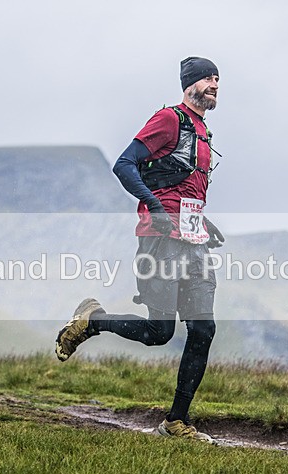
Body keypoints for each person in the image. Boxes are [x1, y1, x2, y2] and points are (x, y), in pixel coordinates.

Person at [55, 56, 225, 443]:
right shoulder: (170, 119)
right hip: (159, 240)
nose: (215, 84)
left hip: (192, 242)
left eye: (218, 79)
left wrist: (201, 222)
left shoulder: (203, 130)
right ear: (189, 84)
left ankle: (175, 423)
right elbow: (124, 164)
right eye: (207, 78)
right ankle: (92, 320)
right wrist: (154, 204)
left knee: (203, 329)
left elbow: (183, 190)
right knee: (159, 331)